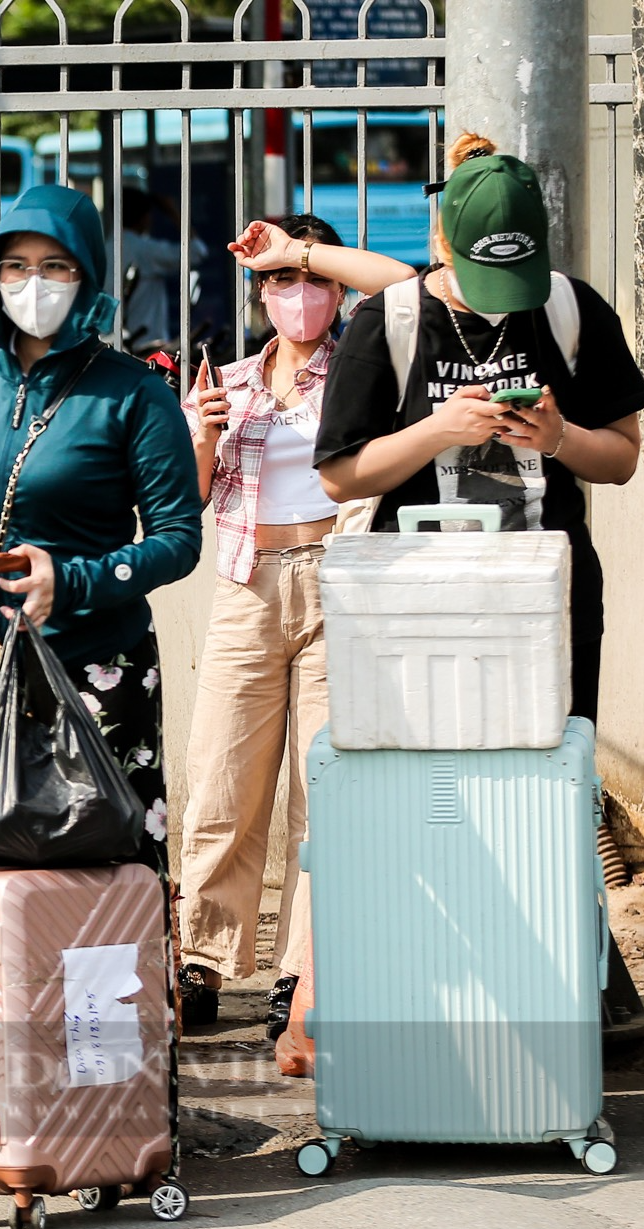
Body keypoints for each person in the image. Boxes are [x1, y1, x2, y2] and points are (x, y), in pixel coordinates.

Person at [0, 183, 203, 858]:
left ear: (86, 275)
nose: (35, 283)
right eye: (16, 266)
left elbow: (178, 542)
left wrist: (75, 580)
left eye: (56, 265)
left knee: (100, 870)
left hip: (98, 671)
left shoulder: (135, 392)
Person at [315, 133, 644, 726]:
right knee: (433, 779)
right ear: (445, 244)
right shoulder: (388, 322)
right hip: (418, 598)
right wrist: (439, 430)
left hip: (551, 589)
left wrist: (558, 438)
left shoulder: (573, 309)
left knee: (546, 773)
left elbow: (622, 459)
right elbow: (341, 480)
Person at [176, 215, 415, 1032]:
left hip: (335, 581)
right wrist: (200, 434)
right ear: (260, 294)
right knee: (221, 778)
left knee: (323, 788)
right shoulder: (232, 379)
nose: (298, 296)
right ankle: (201, 961)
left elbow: (409, 286)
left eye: (311, 281)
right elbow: (194, 496)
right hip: (246, 584)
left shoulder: (364, 365)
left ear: (336, 286)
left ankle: (302, 969)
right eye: (281, 282)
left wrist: (302, 250)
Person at [119, 191, 209, 353]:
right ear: (145, 217)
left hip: (115, 343)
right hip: (146, 346)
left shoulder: (106, 248)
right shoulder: (145, 250)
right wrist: (174, 213)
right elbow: (198, 251)